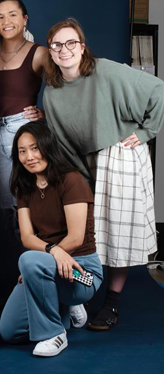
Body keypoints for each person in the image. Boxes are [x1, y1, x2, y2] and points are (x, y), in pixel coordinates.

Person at [43, 18, 164, 331]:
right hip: (82, 165)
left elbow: (157, 89)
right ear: (51, 52)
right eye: (58, 44)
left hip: (120, 154)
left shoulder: (105, 69)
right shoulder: (52, 94)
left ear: (82, 48)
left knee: (117, 236)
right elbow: (63, 144)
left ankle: (111, 302)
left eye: (71, 43)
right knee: (83, 230)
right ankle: (78, 293)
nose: (64, 49)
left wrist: (148, 130)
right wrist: (79, 180)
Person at [0, 122, 103, 357]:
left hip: (82, 271)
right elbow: (27, 237)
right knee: (10, 331)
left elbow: (76, 238)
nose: (29, 157)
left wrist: (40, 261)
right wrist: (48, 256)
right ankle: (61, 304)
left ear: (47, 146)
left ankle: (53, 334)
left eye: (35, 148)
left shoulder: (71, 180)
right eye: (22, 151)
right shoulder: (24, 187)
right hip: (48, 265)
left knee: (30, 261)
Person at [0, 0, 48, 211]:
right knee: (7, 204)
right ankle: (17, 246)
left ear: (25, 19)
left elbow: (66, 89)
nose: (6, 21)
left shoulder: (39, 53)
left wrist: (46, 114)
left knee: (30, 200)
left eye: (12, 15)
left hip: (24, 131)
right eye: (0, 17)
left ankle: (36, 245)